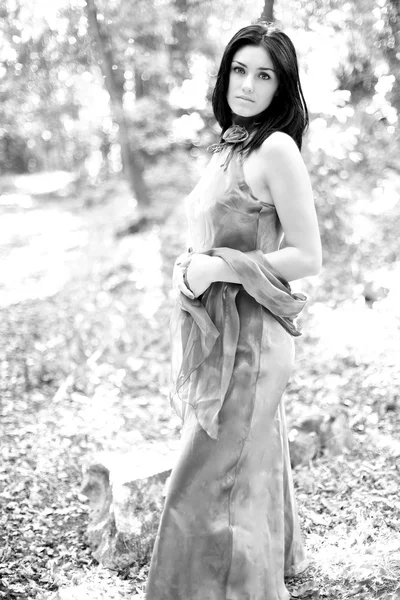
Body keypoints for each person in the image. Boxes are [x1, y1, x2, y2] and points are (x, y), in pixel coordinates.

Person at [145, 22, 322, 600]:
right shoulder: (232, 141)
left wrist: (219, 269)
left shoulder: (275, 148)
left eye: (264, 75)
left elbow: (307, 255)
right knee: (248, 467)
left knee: (202, 480)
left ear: (282, 86)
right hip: (224, 332)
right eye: (239, 70)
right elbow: (213, 234)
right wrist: (188, 266)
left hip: (253, 345)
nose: (247, 84)